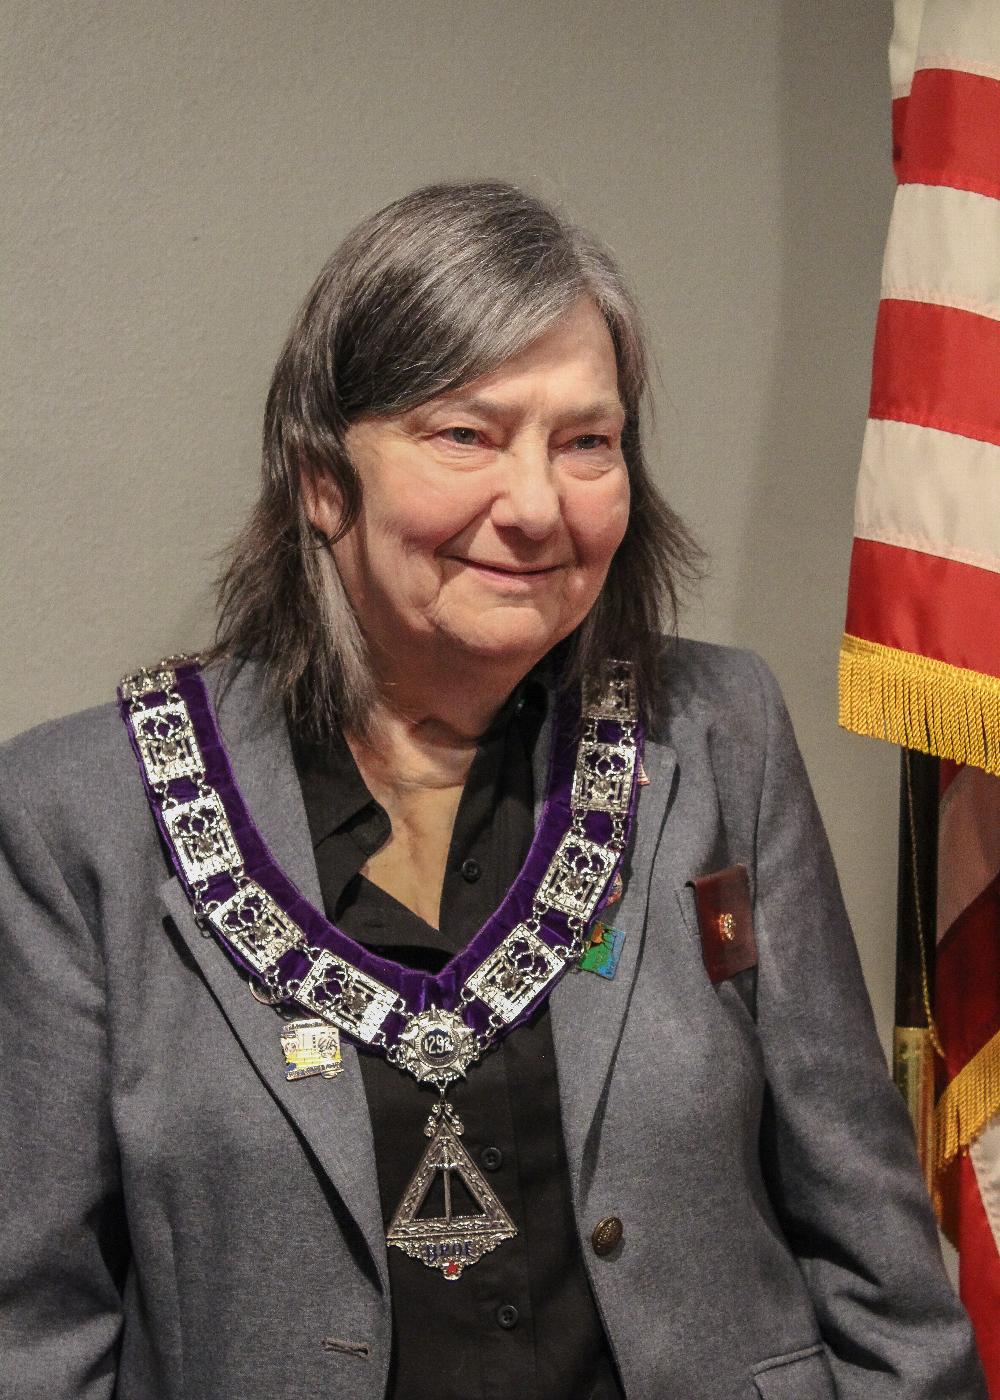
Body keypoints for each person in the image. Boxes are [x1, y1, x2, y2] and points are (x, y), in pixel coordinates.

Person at [0, 181, 986, 1400]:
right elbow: (30, 1331)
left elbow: (875, 1246)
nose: (534, 506)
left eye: (586, 442)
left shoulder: (720, 731)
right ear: (320, 479)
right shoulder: (80, 816)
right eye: (465, 434)